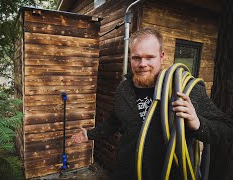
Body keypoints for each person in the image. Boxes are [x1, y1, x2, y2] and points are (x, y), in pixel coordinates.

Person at [71, 27, 233, 179]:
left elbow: (226, 130)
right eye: (137, 58)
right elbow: (113, 122)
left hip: (168, 174)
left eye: (149, 57)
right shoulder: (123, 89)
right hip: (127, 172)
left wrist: (198, 124)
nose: (143, 64)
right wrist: (89, 134)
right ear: (131, 57)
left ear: (162, 56)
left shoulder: (185, 89)